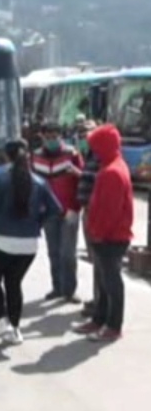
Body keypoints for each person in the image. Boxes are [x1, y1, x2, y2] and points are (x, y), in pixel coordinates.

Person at [0, 139, 62, 345]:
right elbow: (56, 209)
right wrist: (37, 223)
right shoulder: (40, 182)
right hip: (28, 246)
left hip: (0, 241)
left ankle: (1, 320)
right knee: (14, 283)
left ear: (6, 156)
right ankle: (16, 330)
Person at [74, 124, 133, 342]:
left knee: (111, 282)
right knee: (103, 280)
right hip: (107, 235)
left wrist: (98, 233)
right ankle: (99, 319)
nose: (93, 151)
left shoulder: (112, 172)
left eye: (95, 146)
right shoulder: (111, 166)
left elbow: (110, 211)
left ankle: (113, 325)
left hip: (110, 237)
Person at [31, 122, 84, 303]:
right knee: (53, 252)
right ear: (42, 137)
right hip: (48, 213)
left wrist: (75, 208)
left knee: (68, 253)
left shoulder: (72, 154)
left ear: (61, 136)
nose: (52, 140)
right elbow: (33, 186)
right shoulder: (36, 157)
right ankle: (57, 287)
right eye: (49, 137)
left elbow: (82, 181)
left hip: (69, 211)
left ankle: (70, 291)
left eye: (55, 136)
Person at [75, 119, 101, 318]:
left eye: (88, 134)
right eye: (82, 135)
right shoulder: (89, 154)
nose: (85, 138)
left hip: (96, 214)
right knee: (94, 259)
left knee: (101, 261)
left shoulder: (101, 156)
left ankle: (100, 301)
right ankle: (97, 298)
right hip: (88, 213)